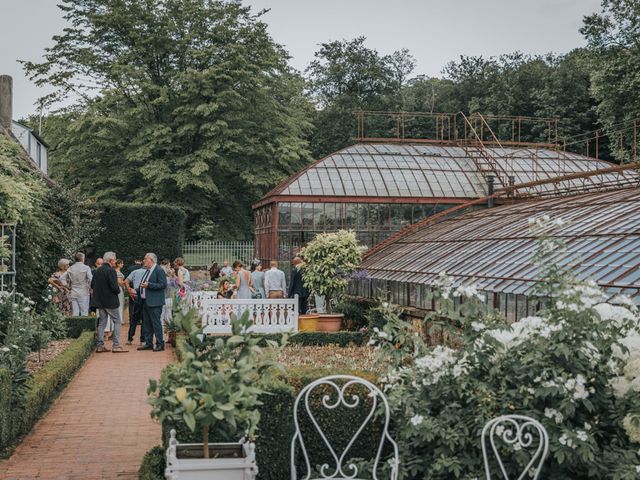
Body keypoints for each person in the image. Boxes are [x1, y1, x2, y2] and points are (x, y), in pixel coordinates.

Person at [91, 252, 127, 353]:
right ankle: (116, 345)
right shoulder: (111, 270)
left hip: (100, 301)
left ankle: (100, 345)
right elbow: (114, 287)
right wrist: (118, 290)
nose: (116, 261)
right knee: (117, 321)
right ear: (111, 260)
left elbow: (92, 285)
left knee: (102, 323)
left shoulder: (97, 270)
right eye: (115, 259)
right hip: (110, 301)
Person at [137, 253, 168, 352]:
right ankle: (148, 343)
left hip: (155, 302)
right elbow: (144, 284)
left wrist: (149, 285)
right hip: (146, 301)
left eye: (145, 259)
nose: (144, 260)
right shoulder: (148, 270)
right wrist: (137, 291)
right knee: (147, 323)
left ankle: (160, 344)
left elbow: (163, 285)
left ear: (151, 260)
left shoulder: (159, 270)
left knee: (156, 323)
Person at [124, 261, 147, 345]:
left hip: (136, 295)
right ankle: (142, 340)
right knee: (144, 319)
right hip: (145, 296)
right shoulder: (149, 272)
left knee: (134, 318)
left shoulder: (135, 272)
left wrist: (130, 291)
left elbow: (126, 281)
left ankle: (129, 339)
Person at [161, 259, 176, 325]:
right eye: (169, 265)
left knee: (164, 311)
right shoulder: (165, 271)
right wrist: (172, 275)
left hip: (165, 295)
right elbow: (170, 283)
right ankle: (168, 325)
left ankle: (165, 324)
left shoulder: (161, 269)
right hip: (166, 295)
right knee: (167, 311)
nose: (170, 267)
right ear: (167, 264)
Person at [115, 259, 125, 327]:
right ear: (118, 264)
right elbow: (119, 282)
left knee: (119, 303)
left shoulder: (117, 271)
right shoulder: (117, 272)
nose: (122, 264)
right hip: (119, 289)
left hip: (118, 288)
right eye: (121, 263)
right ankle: (120, 319)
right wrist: (125, 282)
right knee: (120, 304)